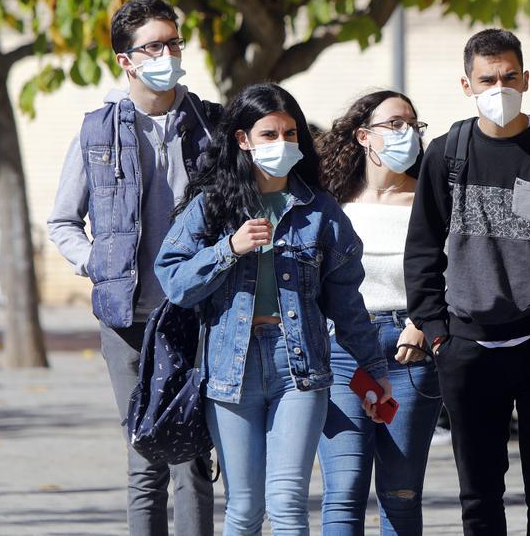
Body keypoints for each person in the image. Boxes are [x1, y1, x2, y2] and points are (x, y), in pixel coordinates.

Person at [155, 83, 392, 536]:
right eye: (269, 134)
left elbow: (347, 301)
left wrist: (374, 368)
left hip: (298, 366)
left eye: (289, 134)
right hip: (231, 368)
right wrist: (229, 248)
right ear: (243, 139)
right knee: (244, 510)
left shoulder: (320, 212)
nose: (281, 144)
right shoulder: (213, 206)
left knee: (286, 504)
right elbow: (174, 280)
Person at [403, 28, 530, 535]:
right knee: (479, 494)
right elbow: (423, 247)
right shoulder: (446, 154)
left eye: (509, 76)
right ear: (466, 85)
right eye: (487, 79)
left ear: (526, 78)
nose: (500, 88)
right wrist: (437, 330)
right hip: (467, 346)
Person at [45, 0, 220, 535]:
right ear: (126, 59)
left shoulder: (211, 126)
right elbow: (62, 223)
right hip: (127, 318)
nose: (167, 54)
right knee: (145, 459)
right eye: (154, 46)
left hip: (199, 315)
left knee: (193, 460)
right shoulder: (98, 131)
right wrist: (98, 266)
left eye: (173, 43)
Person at [314, 90, 443, 535]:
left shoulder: (431, 198)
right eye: (394, 124)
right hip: (344, 349)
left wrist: (423, 323)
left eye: (413, 124)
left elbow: (452, 268)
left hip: (411, 352)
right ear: (363, 135)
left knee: (401, 492)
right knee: (345, 486)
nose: (407, 132)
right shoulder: (331, 202)